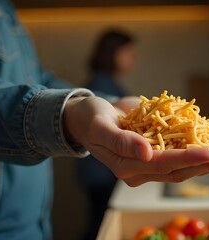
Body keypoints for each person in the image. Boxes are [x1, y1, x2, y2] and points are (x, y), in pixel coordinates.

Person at [0, 1, 209, 239]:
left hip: (33, 221)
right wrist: (71, 114)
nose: (133, 59)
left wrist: (98, 102)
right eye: (129, 53)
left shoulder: (8, 12)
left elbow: (41, 81)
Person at [80, 29, 136, 240]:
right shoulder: (102, 84)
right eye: (128, 52)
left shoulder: (106, 82)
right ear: (113, 54)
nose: (133, 57)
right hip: (100, 170)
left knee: (97, 222)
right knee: (99, 226)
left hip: (99, 169)